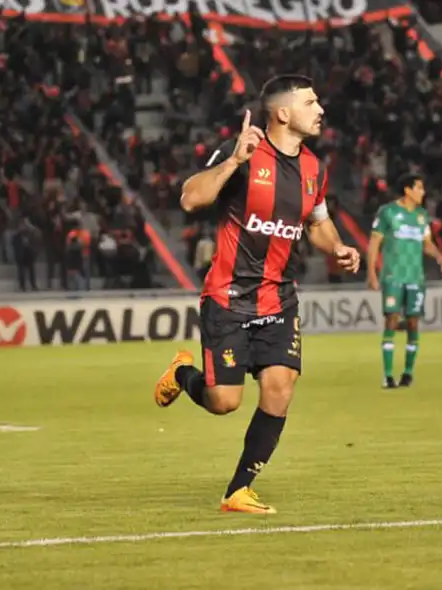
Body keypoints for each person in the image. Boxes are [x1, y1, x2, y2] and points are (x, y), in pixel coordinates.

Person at [153, 75, 361, 515]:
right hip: (229, 298)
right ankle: (184, 374)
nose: (320, 109)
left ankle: (238, 490)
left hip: (279, 299)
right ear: (283, 113)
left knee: (281, 386)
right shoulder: (244, 154)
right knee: (224, 402)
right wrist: (232, 161)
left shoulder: (314, 170)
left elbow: (318, 224)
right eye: (311, 101)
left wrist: (338, 248)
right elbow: (190, 198)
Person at [366, 173, 442, 389]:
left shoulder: (422, 215)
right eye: (419, 188)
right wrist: (372, 273)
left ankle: (408, 373)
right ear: (407, 190)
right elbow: (374, 243)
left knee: (413, 322)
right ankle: (387, 375)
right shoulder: (388, 212)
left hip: (415, 277)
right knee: (391, 319)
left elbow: (426, 242)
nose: (423, 192)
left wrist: (438, 255)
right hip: (393, 275)